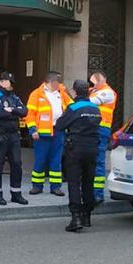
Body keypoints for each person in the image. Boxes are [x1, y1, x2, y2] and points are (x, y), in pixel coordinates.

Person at [54, 80, 102, 232]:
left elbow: (60, 125)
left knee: (74, 182)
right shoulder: (96, 108)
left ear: (74, 92)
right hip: (93, 148)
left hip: (76, 148)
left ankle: (75, 218)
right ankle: (87, 216)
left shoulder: (73, 107)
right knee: (89, 181)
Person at [26, 72, 72, 196]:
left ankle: (56, 187)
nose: (59, 85)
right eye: (56, 83)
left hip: (58, 131)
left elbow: (72, 106)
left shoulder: (61, 93)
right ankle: (37, 186)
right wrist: (33, 130)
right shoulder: (36, 94)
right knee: (40, 160)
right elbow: (30, 114)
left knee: (56, 160)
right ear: (47, 82)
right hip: (41, 133)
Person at [0, 72, 29, 206]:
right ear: (2, 82)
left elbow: (24, 111)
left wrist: (10, 110)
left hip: (14, 135)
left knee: (17, 164)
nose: (11, 85)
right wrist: (13, 111)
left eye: (12, 83)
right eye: (9, 82)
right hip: (0, 135)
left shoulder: (15, 97)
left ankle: (16, 194)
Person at [89, 71, 118, 204]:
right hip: (91, 129)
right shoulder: (93, 91)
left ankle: (97, 194)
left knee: (98, 162)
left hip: (101, 129)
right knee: (89, 161)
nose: (95, 83)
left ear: (103, 80)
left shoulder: (107, 92)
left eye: (96, 81)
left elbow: (90, 102)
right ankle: (89, 191)